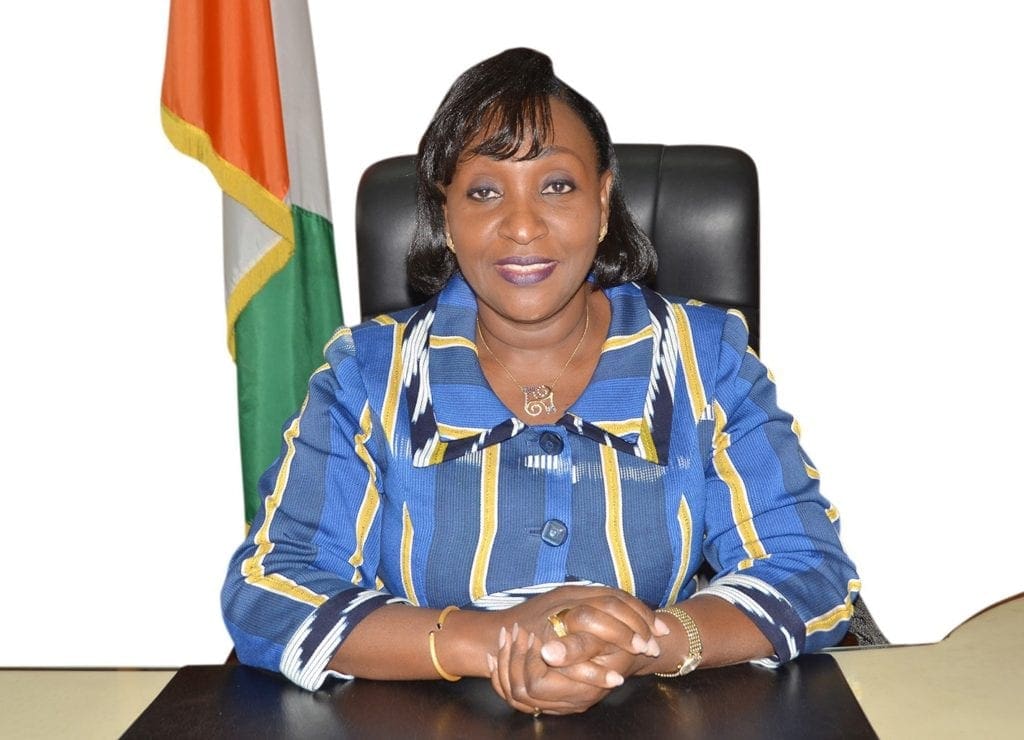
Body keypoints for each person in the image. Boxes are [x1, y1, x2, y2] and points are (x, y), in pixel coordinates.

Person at [222, 47, 859, 716]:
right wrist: (488, 641)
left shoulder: (704, 359)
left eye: (556, 186)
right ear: (445, 216)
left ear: (603, 202)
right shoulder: (367, 374)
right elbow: (269, 587)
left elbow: (809, 566)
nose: (522, 226)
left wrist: (649, 641)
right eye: (484, 192)